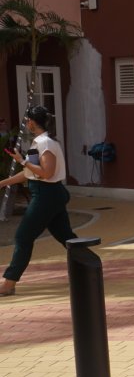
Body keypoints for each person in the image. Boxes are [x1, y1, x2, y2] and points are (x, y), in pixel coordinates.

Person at [0, 106, 77, 296]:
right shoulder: (40, 143)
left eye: (27, 121)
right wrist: (3, 183)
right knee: (66, 238)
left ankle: (9, 285)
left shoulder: (46, 144)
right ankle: (90, 269)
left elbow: (47, 173)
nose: (26, 124)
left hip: (46, 196)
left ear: (32, 122)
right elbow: (30, 174)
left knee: (23, 237)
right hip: (49, 195)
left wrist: (22, 160)